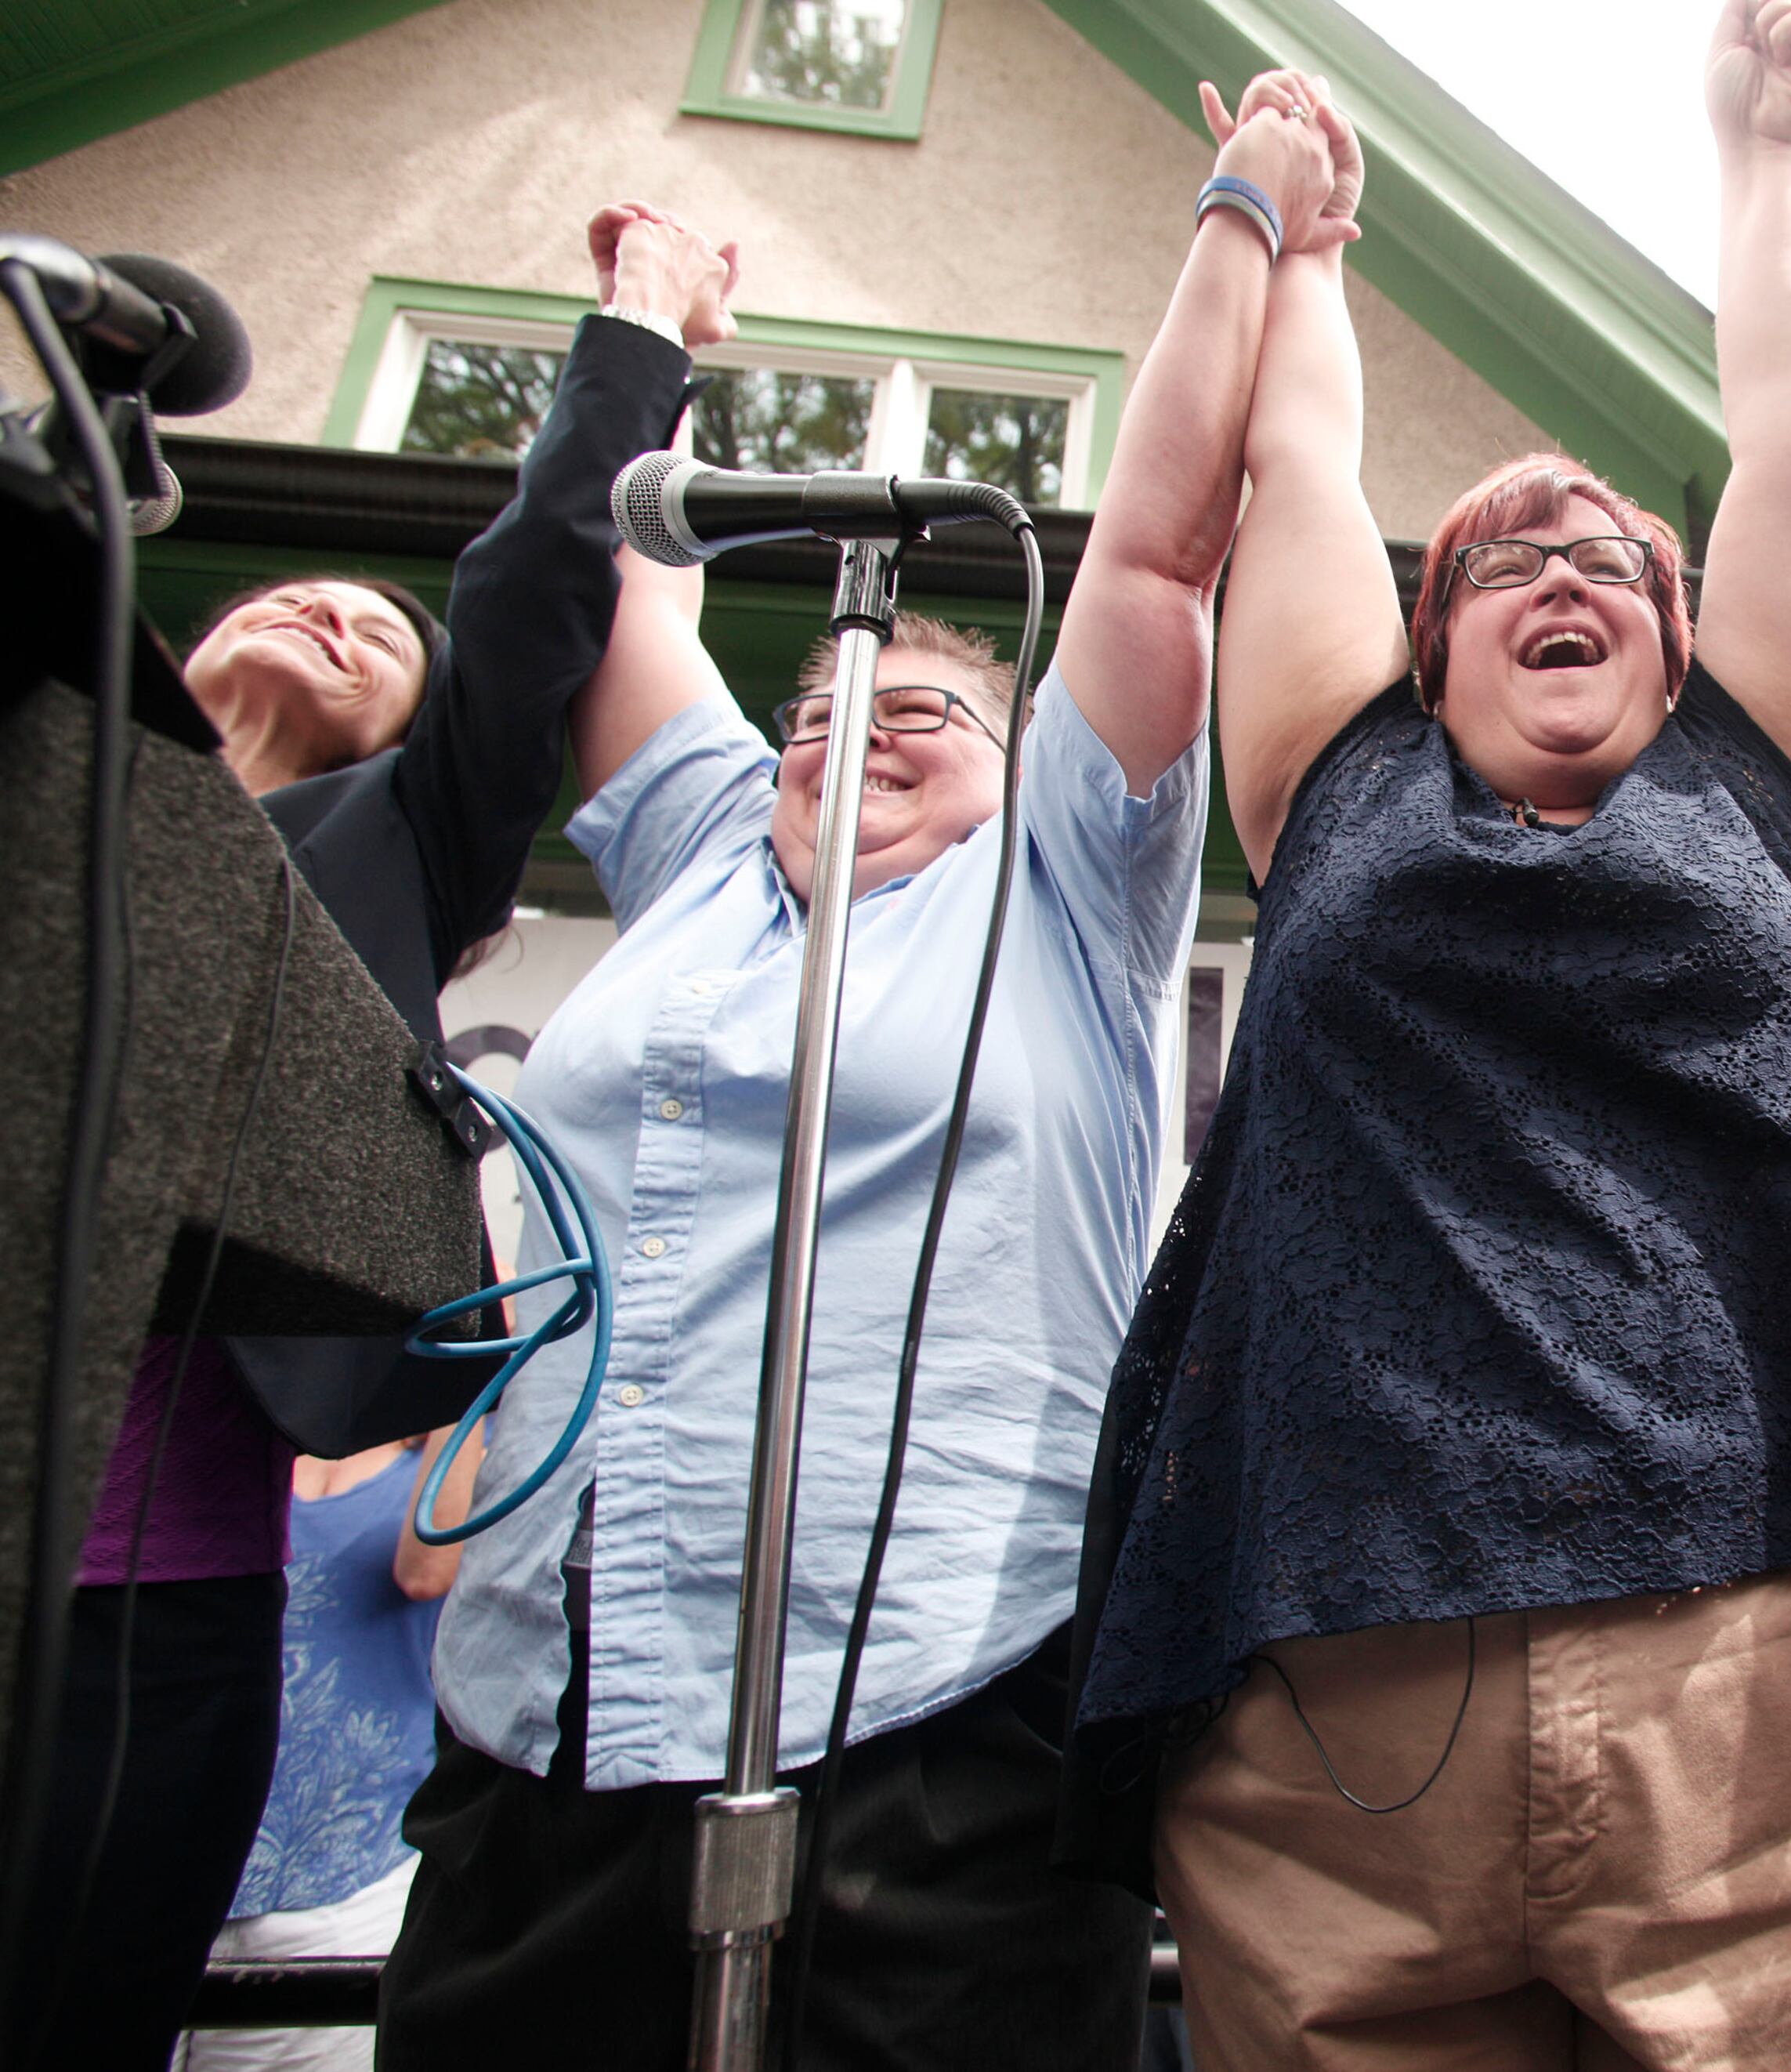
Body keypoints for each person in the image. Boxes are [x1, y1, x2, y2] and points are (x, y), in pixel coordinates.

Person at [1059, 10, 1791, 2063]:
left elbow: (1789, 436)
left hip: (1751, 1676)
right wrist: (1312, 244)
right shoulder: (1334, 788)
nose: (1559, 567)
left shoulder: (1767, 785)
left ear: (1686, 636)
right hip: (1335, 1707)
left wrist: (1758, 152)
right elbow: (1298, 464)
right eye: (1500, 558)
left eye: (1613, 553)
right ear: (1426, 649)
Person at [380, 114, 1326, 2068]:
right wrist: (649, 323)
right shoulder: (713, 845)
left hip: (938, 1708)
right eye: (818, 704)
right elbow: (613, 584)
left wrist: (1242, 223)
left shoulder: (1063, 882)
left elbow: (1157, 548)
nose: (856, 715)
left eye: (924, 707)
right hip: (560, 1683)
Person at [4, 204, 707, 2072]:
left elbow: (533, 588)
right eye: (295, 595)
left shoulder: (391, 845)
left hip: (141, 1618)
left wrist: (638, 331)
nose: (340, 612)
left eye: (383, 636)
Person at [173, 1429, 480, 2072]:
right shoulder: (251, 1444)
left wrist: (469, 1364)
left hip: (340, 1887)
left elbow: (426, 1571)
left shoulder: (462, 1451)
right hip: (174, 1874)